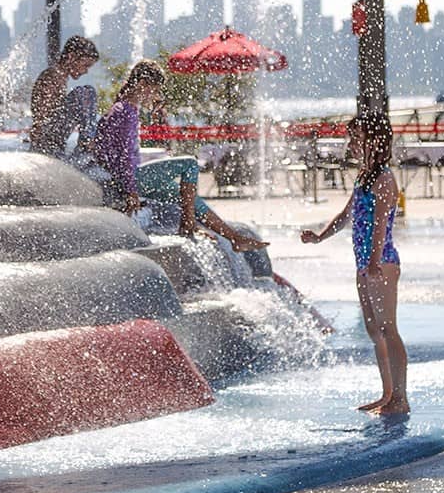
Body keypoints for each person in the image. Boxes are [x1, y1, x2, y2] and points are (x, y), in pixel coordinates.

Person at [94, 59, 267, 252]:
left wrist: (155, 113)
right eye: (155, 90)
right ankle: (188, 224)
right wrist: (131, 191)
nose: (156, 95)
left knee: (189, 198)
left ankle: (234, 238)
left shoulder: (126, 108)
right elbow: (122, 157)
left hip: (131, 178)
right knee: (190, 164)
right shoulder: (125, 110)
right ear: (143, 84)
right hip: (132, 180)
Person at [300, 115, 408, 415]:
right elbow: (347, 215)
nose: (351, 144)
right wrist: (320, 237)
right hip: (365, 264)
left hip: (381, 262)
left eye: (356, 138)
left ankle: (401, 397)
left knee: (388, 328)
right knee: (374, 330)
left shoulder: (385, 178)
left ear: (374, 141)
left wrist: (372, 263)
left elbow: (380, 223)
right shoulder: (363, 177)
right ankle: (387, 394)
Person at [29, 36, 100, 156]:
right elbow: (41, 114)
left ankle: (86, 144)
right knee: (87, 92)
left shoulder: (60, 76)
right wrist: (37, 133)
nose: (86, 71)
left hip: (53, 141)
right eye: (85, 65)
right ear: (71, 57)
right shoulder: (53, 76)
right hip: (46, 142)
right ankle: (87, 143)